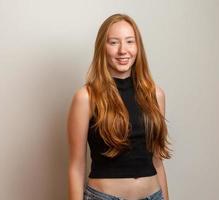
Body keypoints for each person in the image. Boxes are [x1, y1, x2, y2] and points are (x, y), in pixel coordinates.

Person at [67, 13, 172, 200]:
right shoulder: (86, 97)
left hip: (153, 196)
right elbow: (77, 166)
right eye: (114, 42)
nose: (123, 50)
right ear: (102, 48)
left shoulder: (156, 95)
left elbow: (157, 162)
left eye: (130, 42)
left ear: (138, 47)